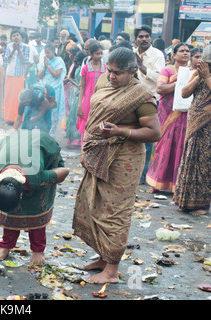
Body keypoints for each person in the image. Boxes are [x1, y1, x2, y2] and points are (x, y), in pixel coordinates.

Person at [72, 47, 161, 284]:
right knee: (96, 205)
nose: (111, 76)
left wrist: (121, 131)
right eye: (110, 71)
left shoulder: (141, 96)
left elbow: (154, 132)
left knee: (115, 212)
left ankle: (111, 271)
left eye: (118, 73)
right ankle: (103, 257)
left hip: (124, 160)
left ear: (132, 72)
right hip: (99, 154)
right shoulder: (104, 81)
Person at [0, 129, 69, 265]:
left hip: (45, 145)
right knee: (9, 205)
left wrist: (52, 177)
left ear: (22, 193)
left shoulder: (37, 178)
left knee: (37, 205)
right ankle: (6, 245)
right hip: (13, 140)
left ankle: (38, 251)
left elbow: (65, 171)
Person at [146, 43, 190, 194]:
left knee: (180, 148)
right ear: (174, 55)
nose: (185, 53)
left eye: (187, 51)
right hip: (167, 114)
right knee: (163, 147)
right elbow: (160, 88)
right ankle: (157, 183)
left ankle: (176, 185)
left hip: (184, 115)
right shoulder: (168, 70)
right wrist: (179, 83)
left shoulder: (192, 72)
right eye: (182, 51)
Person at [173, 45, 211, 216]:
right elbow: (184, 93)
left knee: (204, 164)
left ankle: (202, 204)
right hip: (194, 124)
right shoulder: (199, 74)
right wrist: (198, 77)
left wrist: (207, 77)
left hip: (207, 126)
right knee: (190, 160)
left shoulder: (207, 75)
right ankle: (186, 201)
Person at [133, 25, 165, 184]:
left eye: (147, 36)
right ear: (136, 39)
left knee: (146, 138)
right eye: (140, 37)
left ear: (151, 38)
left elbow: (160, 79)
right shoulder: (132, 54)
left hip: (151, 100)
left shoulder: (157, 55)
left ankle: (143, 175)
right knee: (133, 136)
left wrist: (141, 66)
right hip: (133, 100)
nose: (144, 39)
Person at [77, 42, 106, 145]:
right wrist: (79, 105)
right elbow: (82, 87)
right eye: (97, 53)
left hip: (101, 101)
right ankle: (84, 152)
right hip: (87, 102)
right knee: (86, 126)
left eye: (101, 53)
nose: (100, 56)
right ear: (91, 54)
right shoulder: (85, 68)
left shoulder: (106, 68)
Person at [37, 43, 66, 137]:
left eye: (48, 52)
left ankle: (51, 135)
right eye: (45, 52)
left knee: (53, 111)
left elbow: (57, 75)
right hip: (45, 89)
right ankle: (43, 133)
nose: (47, 55)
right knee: (43, 110)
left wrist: (48, 66)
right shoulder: (44, 61)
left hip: (55, 90)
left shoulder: (59, 61)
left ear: (54, 51)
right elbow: (39, 76)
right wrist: (44, 66)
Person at [3, 29, 30, 124]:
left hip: (19, 75)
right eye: (13, 35)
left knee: (18, 98)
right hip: (10, 74)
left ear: (20, 37)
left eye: (17, 35)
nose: (15, 37)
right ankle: (8, 118)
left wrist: (18, 50)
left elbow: (25, 60)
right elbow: (6, 60)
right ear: (11, 38)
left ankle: (17, 118)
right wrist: (14, 50)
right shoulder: (9, 46)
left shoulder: (26, 47)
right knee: (8, 97)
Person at [65, 50, 87, 147]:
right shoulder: (83, 68)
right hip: (80, 95)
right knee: (76, 117)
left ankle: (73, 140)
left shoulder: (80, 68)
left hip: (78, 94)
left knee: (74, 117)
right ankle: (76, 141)